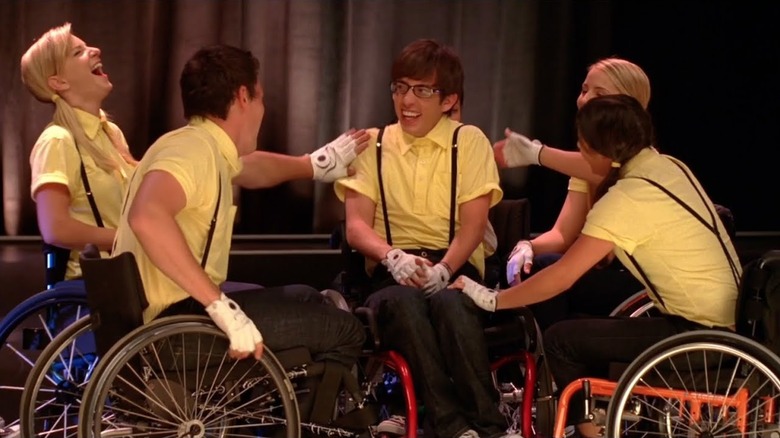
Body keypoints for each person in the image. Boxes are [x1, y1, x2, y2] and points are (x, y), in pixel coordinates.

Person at [454, 94, 741, 438]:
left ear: (602, 152)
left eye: (582, 147)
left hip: (696, 332)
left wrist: (492, 298)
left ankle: (589, 433)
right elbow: (597, 170)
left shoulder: (626, 200)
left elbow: (563, 275)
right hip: (729, 318)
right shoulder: (668, 166)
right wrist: (535, 154)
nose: (579, 155)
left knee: (562, 340)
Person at [113, 44, 367, 399]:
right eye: (261, 98)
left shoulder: (197, 144)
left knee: (307, 298)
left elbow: (252, 168)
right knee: (346, 331)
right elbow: (147, 216)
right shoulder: (193, 151)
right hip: (174, 330)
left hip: (169, 320)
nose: (264, 109)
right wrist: (222, 308)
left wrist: (314, 164)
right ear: (243, 96)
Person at [335, 39, 518, 438]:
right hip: (390, 271)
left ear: (449, 99)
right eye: (400, 87)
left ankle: (490, 426)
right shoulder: (372, 144)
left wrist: (445, 268)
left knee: (452, 305)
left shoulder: (468, 141)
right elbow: (356, 228)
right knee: (403, 304)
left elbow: (473, 226)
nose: (407, 101)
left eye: (422, 90)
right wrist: (393, 257)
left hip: (454, 265)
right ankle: (452, 427)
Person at [493, 58, 648, 330]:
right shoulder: (585, 162)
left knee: (549, 272)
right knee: (529, 266)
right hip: (598, 269)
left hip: (639, 282)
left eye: (599, 94)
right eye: (585, 90)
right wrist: (528, 245)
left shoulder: (641, 161)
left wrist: (535, 153)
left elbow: (605, 170)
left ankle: (552, 358)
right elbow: (563, 233)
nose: (584, 100)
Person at [22, 22, 137, 282]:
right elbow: (56, 229)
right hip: (94, 289)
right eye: (79, 52)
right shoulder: (57, 141)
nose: (96, 50)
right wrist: (128, 239)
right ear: (58, 82)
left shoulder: (111, 133)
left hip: (133, 277)